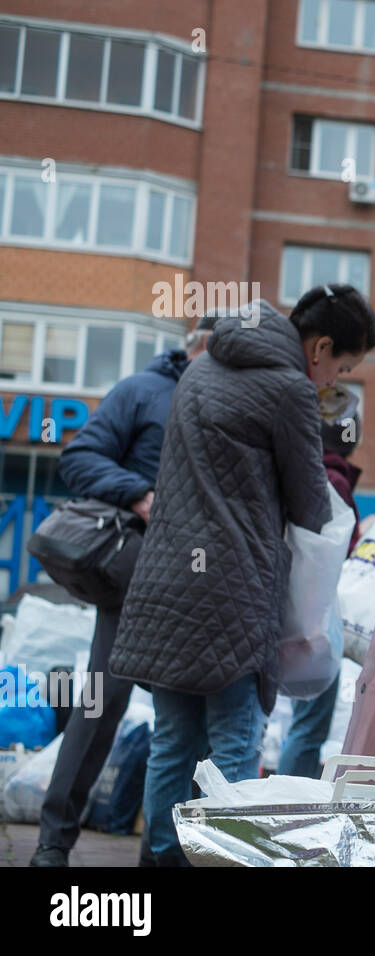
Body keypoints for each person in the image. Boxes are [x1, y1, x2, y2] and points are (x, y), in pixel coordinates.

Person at [109, 287, 375, 865]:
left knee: (173, 744)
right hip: (231, 590)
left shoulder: (202, 367)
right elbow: (311, 502)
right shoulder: (289, 390)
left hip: (164, 582)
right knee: (235, 743)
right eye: (341, 367)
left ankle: (159, 862)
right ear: (322, 346)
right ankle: (229, 860)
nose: (334, 381)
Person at [28, 338, 205, 867]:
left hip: (200, 582)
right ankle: (52, 844)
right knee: (102, 701)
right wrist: (139, 494)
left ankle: (161, 856)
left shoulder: (225, 402)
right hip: (135, 573)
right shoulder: (142, 390)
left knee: (187, 715)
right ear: (198, 344)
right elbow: (78, 456)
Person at [277, 385, 363, 779]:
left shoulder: (307, 468)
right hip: (313, 618)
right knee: (310, 724)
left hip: (296, 611)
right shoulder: (333, 479)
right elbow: (329, 550)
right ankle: (290, 808)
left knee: (300, 722)